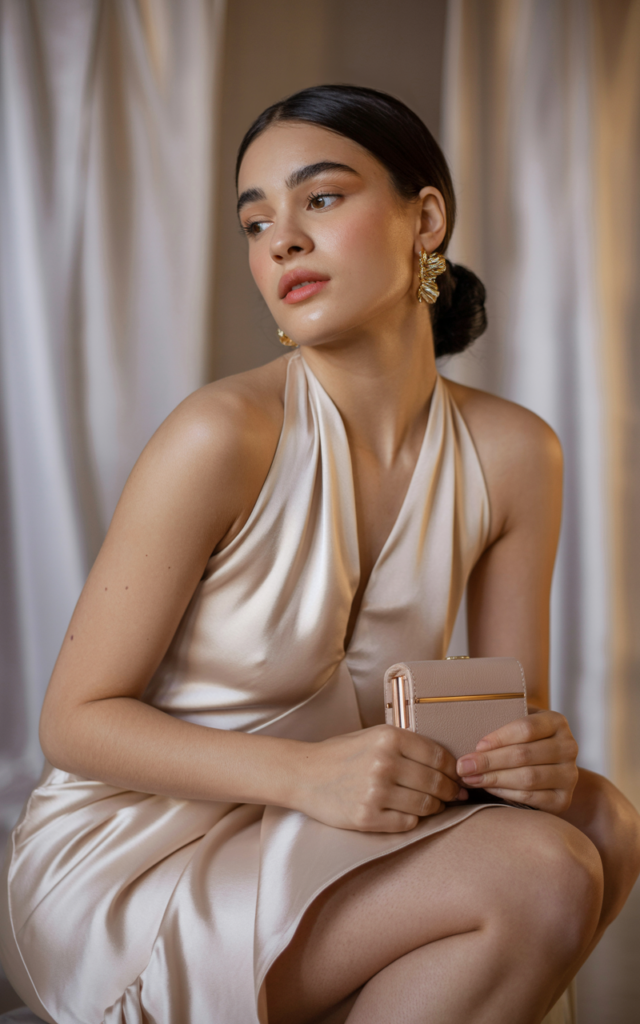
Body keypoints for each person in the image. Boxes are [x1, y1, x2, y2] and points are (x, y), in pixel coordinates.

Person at [1, 84, 639, 1024]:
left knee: (599, 821)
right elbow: (75, 722)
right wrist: (305, 775)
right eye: (255, 222)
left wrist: (532, 755)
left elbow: (507, 721)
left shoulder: (514, 452)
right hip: (138, 850)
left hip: (332, 825)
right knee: (537, 873)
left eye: (322, 198)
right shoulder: (221, 433)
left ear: (426, 219)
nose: (281, 240)